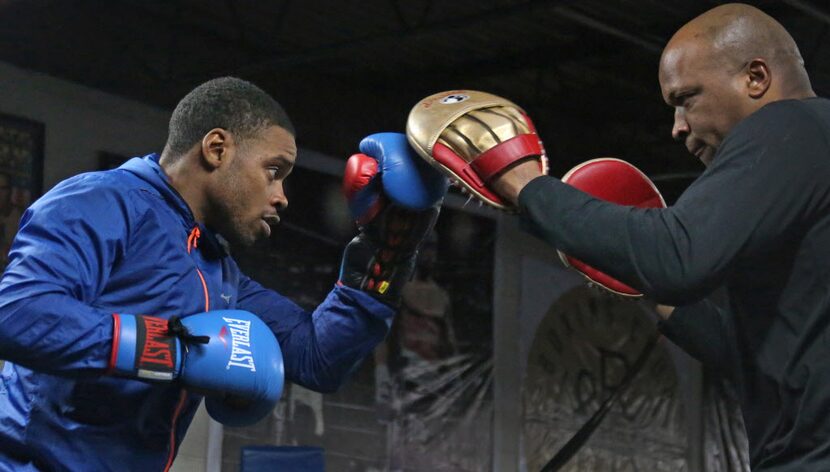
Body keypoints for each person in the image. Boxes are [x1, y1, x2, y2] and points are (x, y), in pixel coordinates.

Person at [409, 3, 827, 470]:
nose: (678, 127)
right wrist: (643, 278)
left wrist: (523, 185)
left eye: (686, 99)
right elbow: (750, 357)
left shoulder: (791, 127)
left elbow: (677, 258)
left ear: (756, 78)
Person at [0, 77, 444, 471]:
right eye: (274, 172)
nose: (282, 197)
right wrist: (170, 350)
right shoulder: (103, 201)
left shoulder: (216, 272)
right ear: (217, 149)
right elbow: (18, 313)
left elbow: (318, 358)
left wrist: (387, 255)